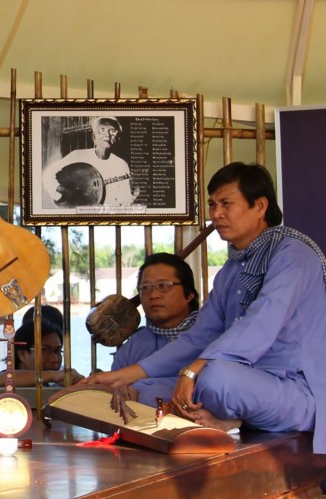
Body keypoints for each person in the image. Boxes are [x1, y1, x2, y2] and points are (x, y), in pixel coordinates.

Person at [84, 163, 326, 454]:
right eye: (212, 204)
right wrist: (121, 376)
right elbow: (197, 338)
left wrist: (193, 371)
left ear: (260, 206)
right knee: (146, 391)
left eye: (226, 203)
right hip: (244, 385)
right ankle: (228, 421)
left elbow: (262, 322)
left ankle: (231, 420)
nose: (216, 214)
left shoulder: (294, 254)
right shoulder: (230, 271)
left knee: (215, 378)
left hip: (296, 389)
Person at [106, 252, 199, 403]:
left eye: (164, 286)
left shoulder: (209, 337)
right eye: (145, 288)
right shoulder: (132, 347)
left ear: (189, 294)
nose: (154, 295)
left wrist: (144, 390)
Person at [42, 116, 137, 207]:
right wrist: (62, 190)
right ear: (94, 137)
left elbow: (123, 200)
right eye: (102, 130)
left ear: (118, 137)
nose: (107, 135)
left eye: (112, 131)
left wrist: (133, 195)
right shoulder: (77, 155)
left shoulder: (121, 165)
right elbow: (48, 175)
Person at [0, 318, 84, 387]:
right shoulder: (3, 379)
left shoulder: (50, 385)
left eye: (58, 351)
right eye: (45, 350)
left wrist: (80, 381)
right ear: (22, 354)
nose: (55, 359)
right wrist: (53, 376)